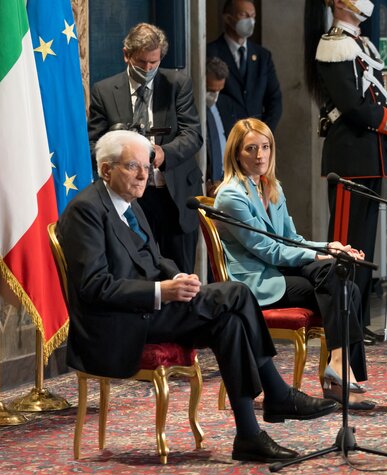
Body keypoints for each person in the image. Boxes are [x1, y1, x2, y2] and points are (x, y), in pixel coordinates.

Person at [58, 130, 338, 463]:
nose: (143, 175)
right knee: (236, 292)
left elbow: (154, 257)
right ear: (106, 170)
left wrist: (176, 276)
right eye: (132, 166)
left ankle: (248, 435)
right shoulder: (85, 211)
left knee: (230, 322)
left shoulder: (130, 203)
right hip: (118, 324)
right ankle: (277, 394)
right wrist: (163, 290)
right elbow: (95, 287)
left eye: (146, 166)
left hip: (150, 311)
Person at [215, 118, 375, 410]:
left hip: (281, 269)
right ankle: (339, 376)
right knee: (338, 281)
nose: (260, 155)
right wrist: (320, 254)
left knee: (343, 282)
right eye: (251, 149)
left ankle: (338, 367)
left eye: (265, 147)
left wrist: (330, 247)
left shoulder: (271, 187)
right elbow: (268, 250)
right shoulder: (231, 196)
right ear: (237, 153)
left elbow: (291, 238)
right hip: (258, 282)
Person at [304, 0, 387, 344]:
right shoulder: (333, 44)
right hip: (350, 159)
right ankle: (343, 322)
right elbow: (351, 105)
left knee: (363, 246)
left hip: (370, 157)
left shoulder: (358, 44)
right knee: (346, 248)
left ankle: (359, 319)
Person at [87, 23, 202, 274]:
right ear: (126, 54)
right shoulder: (104, 91)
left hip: (174, 196)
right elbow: (94, 143)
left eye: (154, 62)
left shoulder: (177, 84)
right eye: (141, 63)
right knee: (139, 272)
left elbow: (193, 135)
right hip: (131, 197)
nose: (148, 69)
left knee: (181, 274)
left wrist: (163, 153)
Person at [207, 0, 283, 134]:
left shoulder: (263, 56)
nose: (250, 21)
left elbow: (274, 100)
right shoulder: (211, 53)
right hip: (225, 136)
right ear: (228, 18)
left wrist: (262, 134)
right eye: (244, 15)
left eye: (253, 16)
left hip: (255, 138)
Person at [205, 57, 230, 197]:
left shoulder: (226, 105)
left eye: (219, 90)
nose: (214, 96)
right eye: (210, 90)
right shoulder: (188, 108)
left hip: (225, 183)